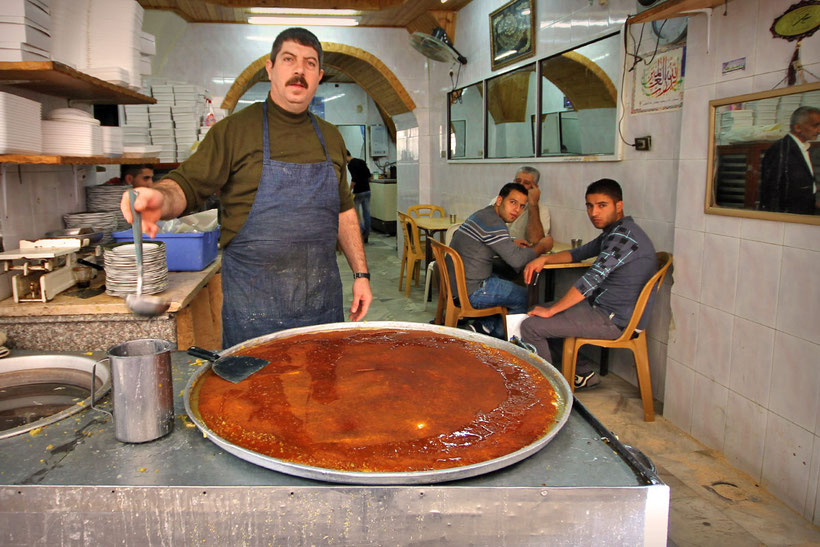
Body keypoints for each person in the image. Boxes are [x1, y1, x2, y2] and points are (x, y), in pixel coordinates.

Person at [120, 27, 372, 348]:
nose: (299, 70)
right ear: (270, 68)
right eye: (289, 59)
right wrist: (159, 196)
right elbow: (186, 185)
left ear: (319, 75)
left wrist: (361, 275)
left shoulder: (331, 137)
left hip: (320, 302)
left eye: (310, 63)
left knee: (321, 390)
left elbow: (344, 210)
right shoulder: (234, 131)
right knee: (252, 394)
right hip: (254, 307)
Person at [520, 179, 657, 389]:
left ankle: (548, 393)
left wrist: (553, 311)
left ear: (618, 206)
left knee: (532, 326)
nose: (594, 213)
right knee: (537, 310)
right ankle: (583, 372)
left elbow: (590, 280)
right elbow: (578, 253)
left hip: (615, 320)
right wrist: (544, 259)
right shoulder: (614, 232)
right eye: (590, 206)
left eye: (602, 205)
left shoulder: (624, 237)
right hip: (602, 309)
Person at [450, 182, 554, 338]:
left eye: (521, 206)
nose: (516, 210)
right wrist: (541, 247)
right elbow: (517, 261)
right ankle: (498, 339)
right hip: (472, 291)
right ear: (499, 200)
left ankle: (483, 327)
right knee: (526, 297)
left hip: (457, 285)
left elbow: (490, 239)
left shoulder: (483, 215)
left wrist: (509, 241)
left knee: (503, 279)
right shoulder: (495, 224)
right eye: (513, 203)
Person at [759, 106, 820, 214]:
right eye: (815, 125)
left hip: (805, 211)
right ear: (797, 127)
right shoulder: (780, 150)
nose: (819, 130)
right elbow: (772, 193)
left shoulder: (806, 148)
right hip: (788, 216)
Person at [489, 166, 551, 245]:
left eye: (526, 183)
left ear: (535, 188)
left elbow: (536, 241)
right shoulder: (498, 200)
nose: (520, 185)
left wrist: (533, 205)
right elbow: (486, 229)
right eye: (518, 181)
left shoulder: (542, 210)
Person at [346, 150, 371, 243]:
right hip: (367, 190)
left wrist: (349, 190)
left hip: (358, 192)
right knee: (367, 213)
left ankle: (362, 229)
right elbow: (369, 175)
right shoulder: (361, 161)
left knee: (354, 213)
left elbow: (354, 179)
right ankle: (366, 235)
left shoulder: (351, 164)